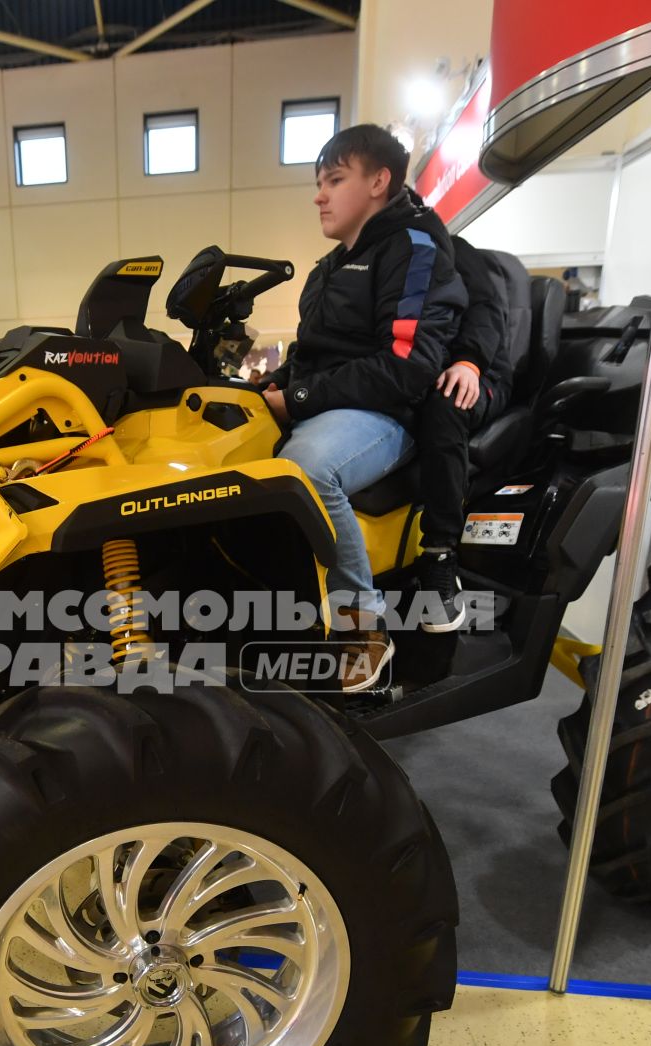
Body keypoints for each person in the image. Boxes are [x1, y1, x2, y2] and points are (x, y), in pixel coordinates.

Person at [263, 123, 467, 689]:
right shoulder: (326, 271)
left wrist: (298, 398)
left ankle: (362, 630)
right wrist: (268, 390)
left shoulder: (412, 249)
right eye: (318, 182)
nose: (318, 195)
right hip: (333, 406)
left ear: (379, 181)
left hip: (389, 414)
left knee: (306, 469)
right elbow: (310, 357)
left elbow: (406, 367)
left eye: (333, 179)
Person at [410, 234, 517, 630]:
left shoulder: (448, 247)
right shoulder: (369, 260)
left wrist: (469, 362)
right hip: (418, 372)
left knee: (446, 400)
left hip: (475, 372)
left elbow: (486, 308)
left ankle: (439, 553)